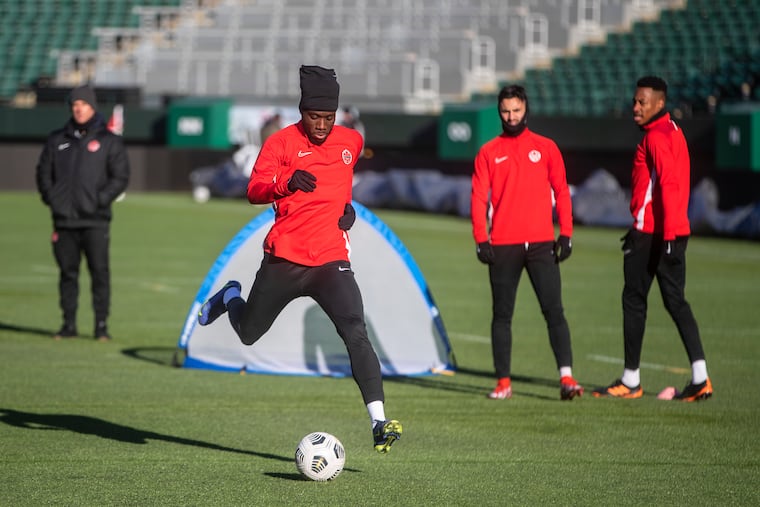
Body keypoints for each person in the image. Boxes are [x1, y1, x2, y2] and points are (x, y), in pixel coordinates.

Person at [197, 65, 402, 453]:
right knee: (249, 333)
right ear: (301, 111)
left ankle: (378, 421)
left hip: (330, 260)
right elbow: (254, 190)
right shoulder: (280, 144)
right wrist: (285, 183)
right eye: (314, 116)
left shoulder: (351, 142)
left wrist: (347, 210)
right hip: (285, 259)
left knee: (355, 330)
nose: (321, 125)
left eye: (328, 117)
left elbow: (340, 185)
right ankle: (230, 297)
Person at [593, 76, 712, 402]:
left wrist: (667, 236)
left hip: (651, 234)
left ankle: (631, 380)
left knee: (634, 301)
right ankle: (700, 378)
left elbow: (669, 184)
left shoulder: (656, 138)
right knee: (676, 302)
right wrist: (674, 234)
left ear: (660, 103)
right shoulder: (673, 130)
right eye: (635, 101)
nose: (635, 107)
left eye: (642, 102)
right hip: (672, 231)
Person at [471, 84, 583, 401]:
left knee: (554, 311)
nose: (511, 116)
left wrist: (566, 233)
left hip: (541, 244)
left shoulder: (546, 148)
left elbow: (562, 191)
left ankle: (567, 378)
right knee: (502, 315)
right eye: (505, 111)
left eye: (516, 110)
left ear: (526, 109)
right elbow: (478, 197)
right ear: (499, 112)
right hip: (502, 245)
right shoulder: (488, 152)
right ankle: (503, 383)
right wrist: (481, 238)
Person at [35, 84, 130, 341]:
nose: (79, 109)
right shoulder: (57, 139)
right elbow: (43, 173)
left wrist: (99, 201)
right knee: (68, 274)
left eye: (83, 104)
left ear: (92, 107)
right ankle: (68, 324)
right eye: (75, 105)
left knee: (100, 273)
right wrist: (53, 199)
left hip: (95, 221)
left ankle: (101, 326)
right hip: (64, 221)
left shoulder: (109, 141)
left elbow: (120, 177)